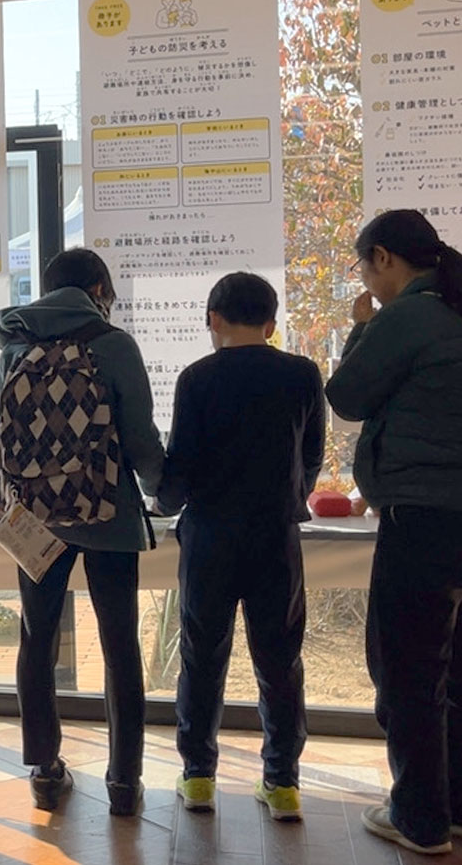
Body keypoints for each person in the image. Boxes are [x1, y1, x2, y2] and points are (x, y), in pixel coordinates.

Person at [325, 209, 462, 855]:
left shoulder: (407, 316)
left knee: (407, 672)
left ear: (383, 258)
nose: (366, 283)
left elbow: (346, 396)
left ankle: (419, 819)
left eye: (364, 269)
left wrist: (360, 329)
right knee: (461, 667)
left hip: (422, 521)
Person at [0, 248, 163, 817]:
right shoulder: (114, 345)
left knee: (37, 637)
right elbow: (140, 439)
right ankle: (124, 781)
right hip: (106, 512)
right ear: (99, 289)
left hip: (34, 517)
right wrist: (164, 491)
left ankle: (44, 771)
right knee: (119, 644)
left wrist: (2, 505)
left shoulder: (15, 346)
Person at [156, 272, 325, 822]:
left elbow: (181, 463)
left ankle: (198, 777)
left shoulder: (197, 378)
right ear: (271, 324)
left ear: (214, 319)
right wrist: (290, 497)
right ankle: (282, 783)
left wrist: (163, 501)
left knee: (202, 657)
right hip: (276, 536)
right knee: (280, 661)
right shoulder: (302, 374)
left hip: (209, 536)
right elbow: (311, 456)